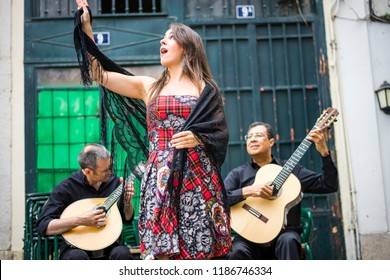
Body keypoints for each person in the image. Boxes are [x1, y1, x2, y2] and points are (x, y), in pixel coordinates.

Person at [73, 0, 231, 260]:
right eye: (162, 37)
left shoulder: (207, 89)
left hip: (198, 175)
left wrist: (199, 138)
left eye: (170, 37)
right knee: (162, 252)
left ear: (187, 47)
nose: (163, 41)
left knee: (199, 250)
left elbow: (220, 133)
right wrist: (87, 27)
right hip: (160, 175)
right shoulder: (149, 87)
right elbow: (98, 73)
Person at [224, 121, 339, 260]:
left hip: (283, 236)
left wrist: (324, 152)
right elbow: (219, 200)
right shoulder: (238, 174)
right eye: (249, 137)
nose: (252, 139)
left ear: (271, 142)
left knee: (289, 241)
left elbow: (329, 185)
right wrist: (248, 191)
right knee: (236, 251)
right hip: (249, 237)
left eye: (259, 135)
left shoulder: (291, 170)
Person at [36, 143, 136, 260]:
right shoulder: (66, 188)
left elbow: (127, 219)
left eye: (111, 167)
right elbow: (44, 226)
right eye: (105, 171)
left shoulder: (114, 182)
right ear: (88, 171)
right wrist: (81, 220)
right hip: (76, 249)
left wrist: (128, 202)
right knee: (76, 258)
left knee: (122, 253)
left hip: (110, 247)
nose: (111, 172)